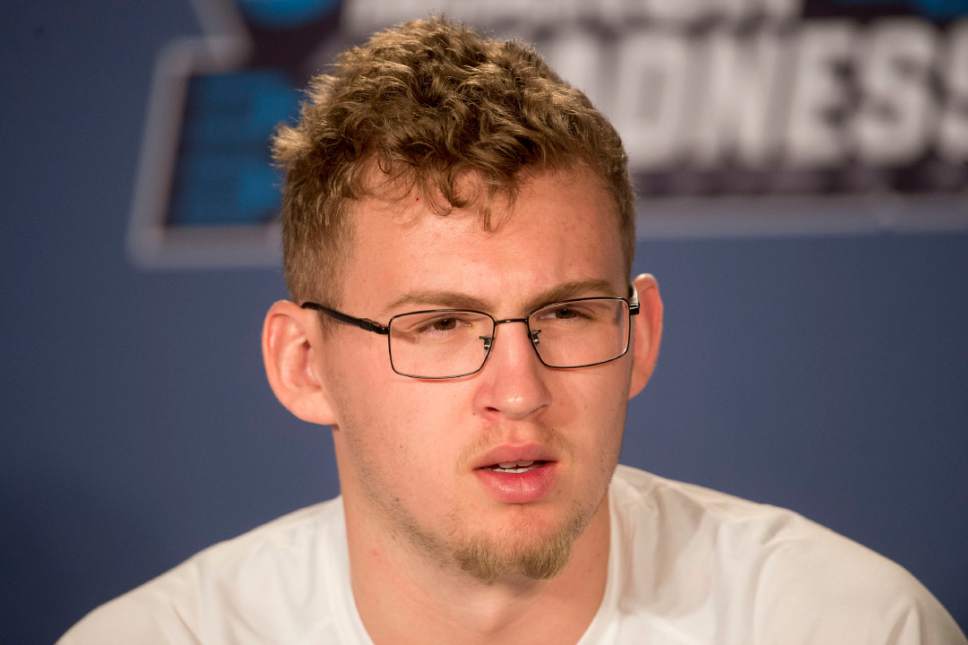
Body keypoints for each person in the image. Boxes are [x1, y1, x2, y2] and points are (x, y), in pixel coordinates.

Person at [61, 16, 965, 645]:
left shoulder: (847, 626)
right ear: (305, 365)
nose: (521, 390)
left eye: (566, 313)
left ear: (641, 336)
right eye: (441, 324)